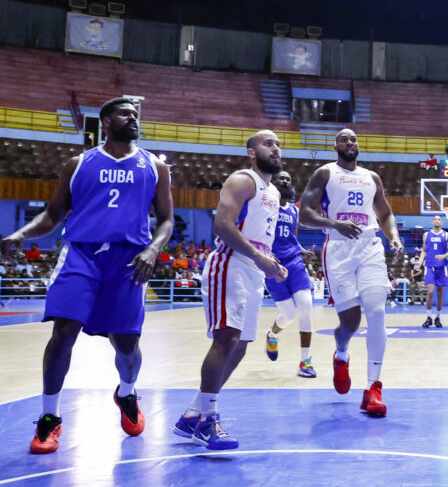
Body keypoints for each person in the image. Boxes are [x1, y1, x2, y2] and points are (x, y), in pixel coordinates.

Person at [1, 97, 174, 454]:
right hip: (81, 254)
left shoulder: (156, 167)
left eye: (136, 114)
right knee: (63, 333)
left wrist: (154, 248)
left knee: (126, 346)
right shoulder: (77, 164)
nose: (134, 117)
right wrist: (22, 233)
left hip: (130, 261)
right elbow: (52, 214)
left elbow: (167, 220)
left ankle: (126, 393)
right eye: (126, 113)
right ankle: (50, 417)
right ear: (106, 122)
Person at [172, 130, 286, 450]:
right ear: (251, 152)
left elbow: (258, 237)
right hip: (230, 264)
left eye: (278, 144)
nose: (275, 149)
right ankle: (208, 419)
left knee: (240, 347)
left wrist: (271, 262)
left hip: (253, 269)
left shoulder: (272, 191)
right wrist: (260, 257)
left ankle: (193, 413)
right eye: (268, 144)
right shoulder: (243, 180)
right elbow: (223, 225)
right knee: (227, 338)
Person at [299, 128, 404, 417]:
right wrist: (334, 224)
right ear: (335, 145)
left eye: (353, 138)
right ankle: (341, 353)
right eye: (344, 138)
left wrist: (392, 236)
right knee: (350, 323)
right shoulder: (325, 173)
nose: (349, 142)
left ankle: (373, 387)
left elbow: (385, 214)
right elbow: (304, 213)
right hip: (338, 249)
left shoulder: (372, 177)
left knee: (377, 311)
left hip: (370, 246)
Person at [264, 170, 318, 378]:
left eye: (288, 179)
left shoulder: (294, 212)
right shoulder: (266, 206)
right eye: (281, 178)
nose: (285, 181)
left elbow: (291, 238)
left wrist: (302, 250)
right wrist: (266, 255)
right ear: (273, 182)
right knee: (288, 314)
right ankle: (272, 334)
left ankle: (305, 361)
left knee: (306, 305)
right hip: (271, 264)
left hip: (294, 262)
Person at [417, 216, 448, 328]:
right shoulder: (426, 235)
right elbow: (424, 250)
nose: (437, 220)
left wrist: (443, 256)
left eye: (439, 219)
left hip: (442, 267)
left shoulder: (447, 235)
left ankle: (438, 317)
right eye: (435, 219)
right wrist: (419, 263)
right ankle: (428, 317)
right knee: (430, 291)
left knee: (440, 293)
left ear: (441, 222)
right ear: (432, 221)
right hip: (430, 266)